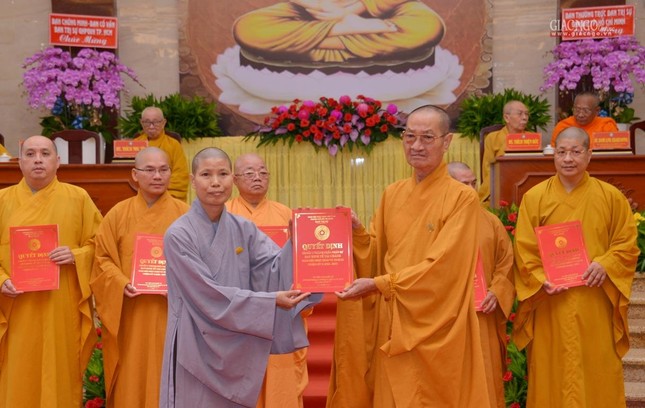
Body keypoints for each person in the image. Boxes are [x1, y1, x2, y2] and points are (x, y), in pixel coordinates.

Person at [331, 106, 489, 407]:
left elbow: (444, 266)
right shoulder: (392, 193)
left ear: (447, 141)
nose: (417, 146)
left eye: (427, 138)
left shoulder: (462, 197)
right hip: (394, 318)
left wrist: (382, 284)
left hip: (436, 321)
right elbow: (378, 254)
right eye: (410, 137)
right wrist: (358, 233)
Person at [160, 147, 320, 408]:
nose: (215, 182)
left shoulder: (244, 228)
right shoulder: (178, 234)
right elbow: (207, 294)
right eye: (206, 174)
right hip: (195, 340)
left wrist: (296, 241)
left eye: (222, 174)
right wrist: (270, 301)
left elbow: (273, 269)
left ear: (231, 179)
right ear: (192, 180)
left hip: (235, 343)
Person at [513, 127, 639, 407]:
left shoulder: (610, 197)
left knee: (597, 366)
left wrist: (605, 263)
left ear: (589, 155)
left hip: (594, 301)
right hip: (551, 302)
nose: (568, 158)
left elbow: (626, 243)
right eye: (561, 152)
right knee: (552, 369)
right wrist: (541, 278)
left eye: (575, 152)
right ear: (553, 155)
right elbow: (524, 249)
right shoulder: (534, 197)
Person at [0, 135, 102, 406]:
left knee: (59, 372)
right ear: (19, 162)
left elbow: (100, 246)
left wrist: (76, 255)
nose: (38, 160)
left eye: (45, 154)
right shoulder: (2, 200)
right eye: (30, 154)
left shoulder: (78, 198)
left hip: (60, 305)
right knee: (18, 373)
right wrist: (1, 280)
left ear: (58, 161)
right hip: (16, 307)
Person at [91, 147, 190, 408]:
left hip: (172, 313)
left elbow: (200, 262)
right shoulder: (117, 214)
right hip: (130, 313)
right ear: (135, 175)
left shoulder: (186, 214)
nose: (157, 176)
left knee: (169, 376)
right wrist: (120, 282)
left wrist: (180, 284)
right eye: (150, 170)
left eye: (163, 170)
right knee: (131, 378)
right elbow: (102, 259)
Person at [226, 152, 307, 408]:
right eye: (249, 173)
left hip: (280, 310)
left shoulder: (286, 215)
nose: (257, 178)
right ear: (235, 180)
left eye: (263, 172)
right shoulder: (224, 214)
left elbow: (300, 261)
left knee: (280, 378)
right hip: (241, 310)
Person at [448, 161, 515, 408]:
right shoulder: (435, 220)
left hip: (483, 314)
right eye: (464, 184)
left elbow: (506, 263)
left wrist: (496, 291)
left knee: (486, 376)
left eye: (474, 183)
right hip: (448, 316)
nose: (471, 190)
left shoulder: (490, 221)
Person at [233, 0, 444, 68]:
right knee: (248, 28)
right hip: (312, 14)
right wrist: (323, 8)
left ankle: (314, 41)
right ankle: (345, 29)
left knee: (428, 26)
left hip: (374, 13)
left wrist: (353, 10)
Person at [478, 100, 530, 203]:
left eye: (526, 114)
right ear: (506, 118)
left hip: (526, 184)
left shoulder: (531, 138)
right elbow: (488, 169)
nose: (524, 118)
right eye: (520, 114)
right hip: (500, 184)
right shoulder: (493, 138)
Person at [134, 106, 189, 201]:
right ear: (141, 123)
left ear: (163, 122)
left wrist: (159, 193)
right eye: (147, 122)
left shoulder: (173, 145)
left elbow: (180, 176)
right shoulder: (134, 145)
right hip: (140, 196)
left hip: (167, 196)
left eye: (156, 122)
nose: (151, 126)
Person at [550, 92, 618, 146]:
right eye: (577, 110)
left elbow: (615, 150)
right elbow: (555, 151)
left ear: (597, 111)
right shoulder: (563, 126)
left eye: (586, 110)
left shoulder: (606, 126)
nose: (580, 115)